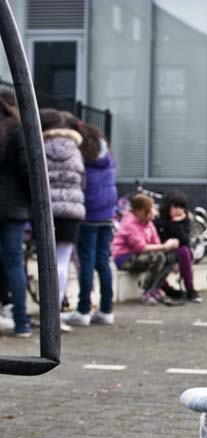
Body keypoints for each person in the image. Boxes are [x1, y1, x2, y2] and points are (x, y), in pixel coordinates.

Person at [63, 122, 117, 327]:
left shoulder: (84, 158)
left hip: (89, 215)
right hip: (107, 215)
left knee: (86, 261)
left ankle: (84, 309)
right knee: (102, 261)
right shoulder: (108, 158)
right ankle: (106, 310)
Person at [41, 109, 85, 333]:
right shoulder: (74, 150)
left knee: (45, 260)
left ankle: (46, 310)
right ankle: (55, 311)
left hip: (47, 210)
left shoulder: (42, 146)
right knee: (63, 260)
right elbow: (82, 181)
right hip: (72, 211)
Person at [111, 194, 181, 306]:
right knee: (158, 257)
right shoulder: (129, 224)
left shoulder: (148, 223)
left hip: (141, 255)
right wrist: (164, 247)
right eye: (148, 211)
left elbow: (156, 242)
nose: (152, 214)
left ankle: (156, 289)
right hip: (125, 258)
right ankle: (146, 292)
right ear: (139, 211)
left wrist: (169, 247)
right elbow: (141, 247)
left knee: (171, 255)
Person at [0, 89, 31, 337]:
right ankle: (21, 321)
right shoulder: (17, 130)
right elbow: (26, 171)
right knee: (14, 263)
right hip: (13, 208)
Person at [155, 191, 202, 303]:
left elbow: (185, 241)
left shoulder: (185, 221)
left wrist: (177, 223)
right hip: (160, 250)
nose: (178, 210)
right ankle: (164, 287)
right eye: (175, 207)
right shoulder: (159, 220)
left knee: (184, 251)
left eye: (181, 207)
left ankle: (190, 289)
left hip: (179, 253)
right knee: (181, 252)